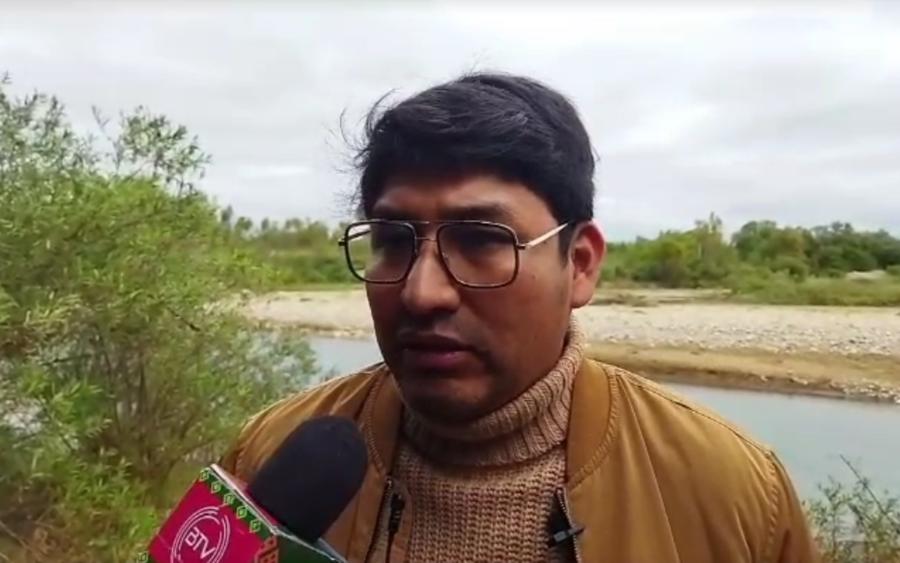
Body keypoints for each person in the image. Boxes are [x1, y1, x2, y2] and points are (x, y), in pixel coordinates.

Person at [219, 72, 821, 563]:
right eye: (393, 241)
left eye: (482, 239)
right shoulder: (268, 457)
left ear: (579, 264)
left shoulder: (733, 494)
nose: (422, 293)